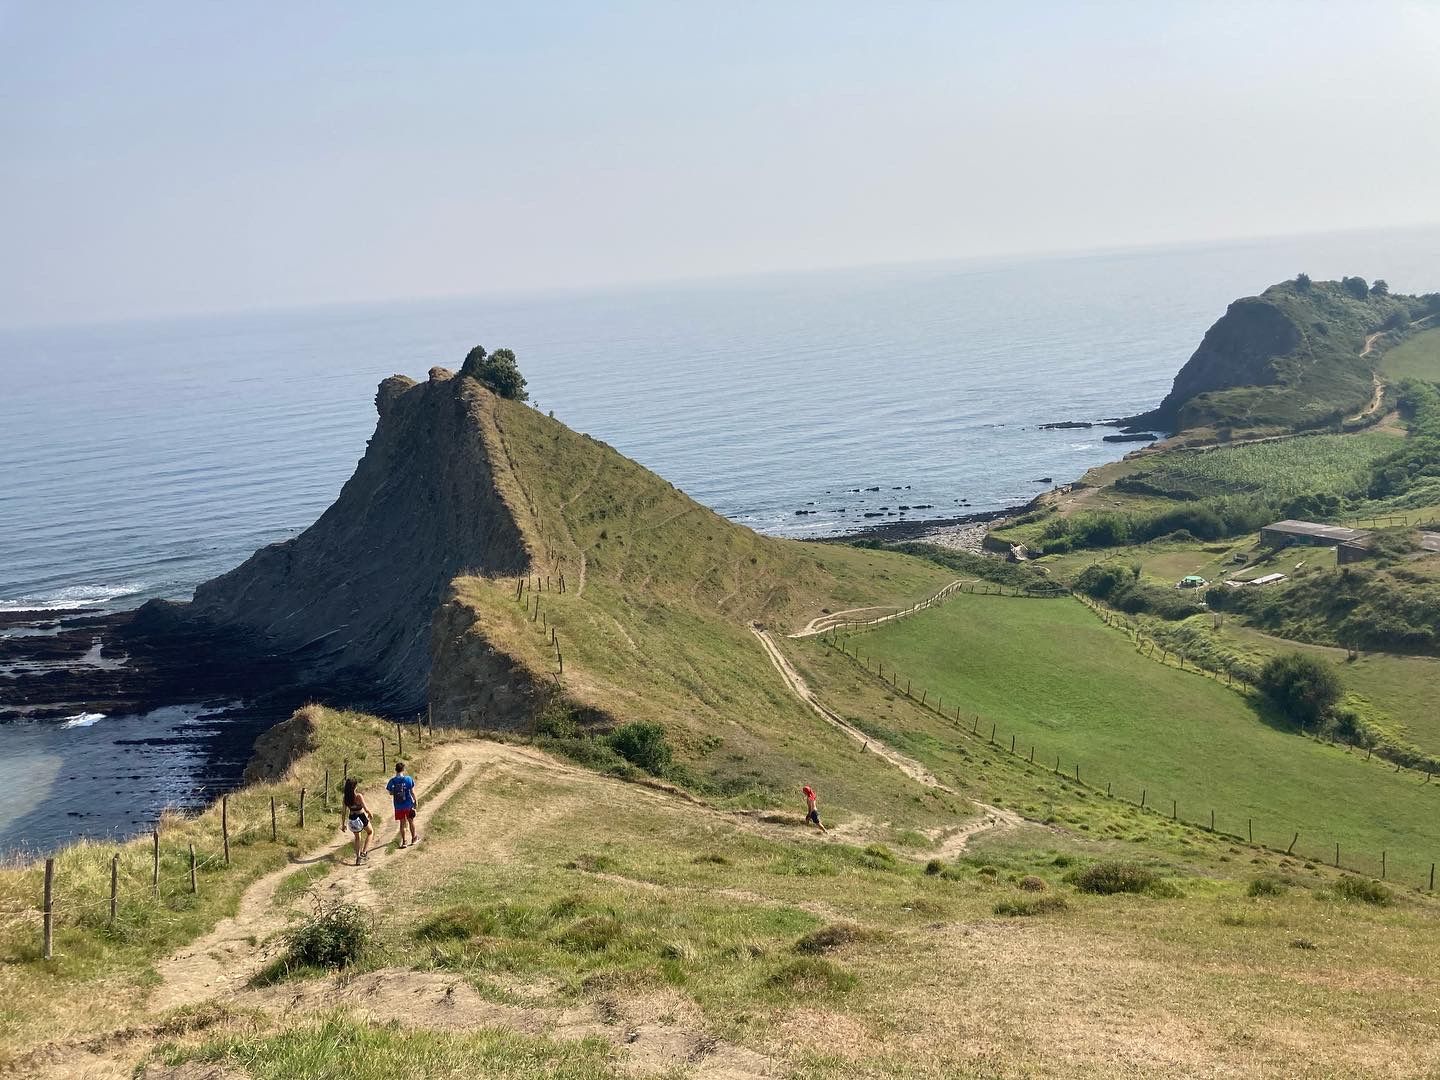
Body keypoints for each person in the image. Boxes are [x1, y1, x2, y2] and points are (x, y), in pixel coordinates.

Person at [339, 778, 373, 865]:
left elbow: (344, 812)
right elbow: (365, 808)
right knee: (370, 832)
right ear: (355, 786)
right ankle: (364, 853)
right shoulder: (358, 796)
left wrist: (343, 824)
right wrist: (370, 813)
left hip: (352, 818)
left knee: (357, 838)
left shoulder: (345, 798)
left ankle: (358, 858)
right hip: (361, 816)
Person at [386, 761, 419, 848]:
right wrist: (415, 801)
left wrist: (397, 792)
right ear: (403, 769)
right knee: (411, 821)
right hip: (408, 804)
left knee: (402, 823)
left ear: (395, 770)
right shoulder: (408, 779)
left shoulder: (392, 781)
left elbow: (390, 793)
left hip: (398, 805)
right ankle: (414, 838)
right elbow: (412, 792)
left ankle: (404, 841)